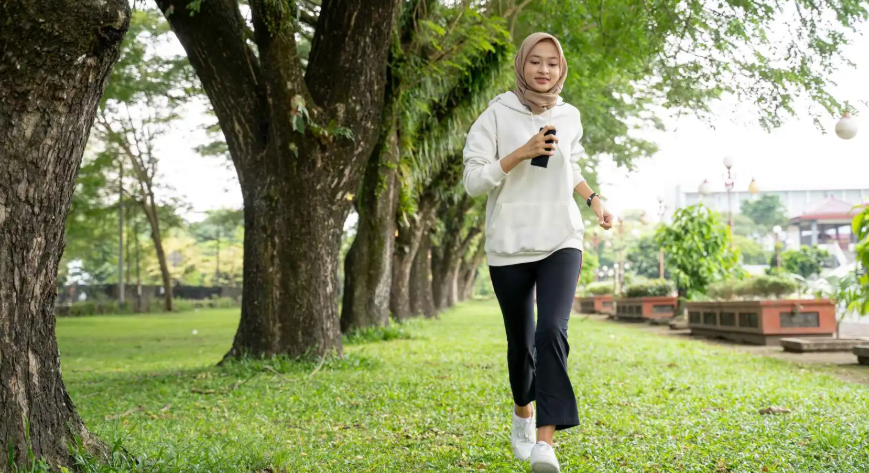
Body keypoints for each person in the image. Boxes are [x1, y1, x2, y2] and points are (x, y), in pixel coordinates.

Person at [462, 32, 613, 472]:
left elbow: (574, 165)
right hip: (508, 244)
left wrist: (594, 200)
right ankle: (523, 415)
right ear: (521, 65)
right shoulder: (494, 116)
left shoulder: (570, 115)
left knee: (551, 330)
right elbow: (473, 182)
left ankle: (546, 443)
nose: (544, 70)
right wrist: (519, 154)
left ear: (560, 68)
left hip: (560, 237)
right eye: (535, 62)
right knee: (521, 343)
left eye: (551, 63)